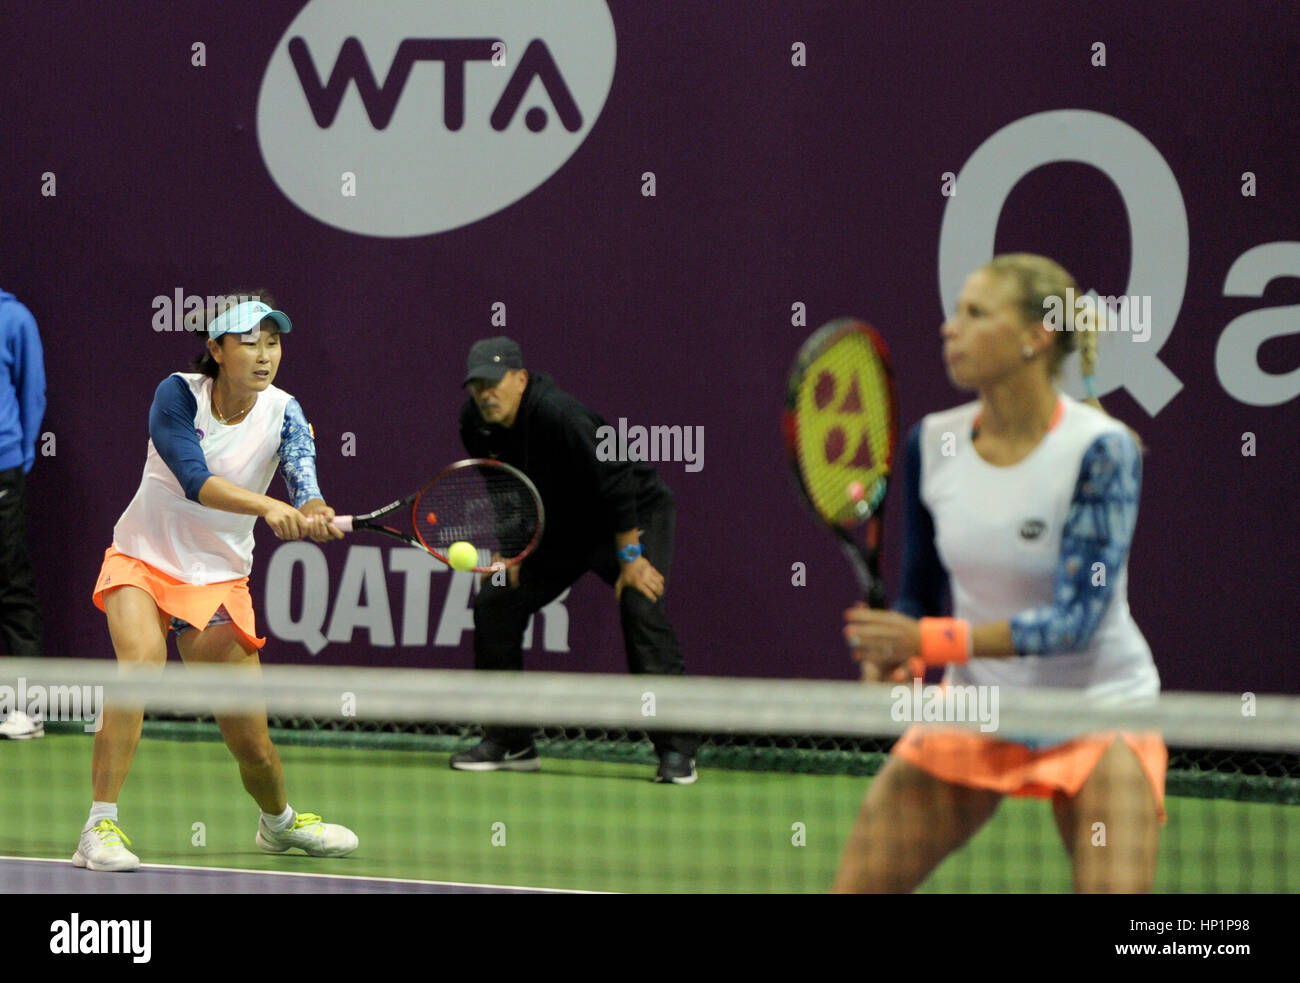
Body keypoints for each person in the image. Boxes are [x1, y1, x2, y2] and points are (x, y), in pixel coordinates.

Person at [833, 254, 1164, 893]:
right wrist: (898, 654)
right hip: (975, 708)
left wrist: (927, 643)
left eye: (975, 313)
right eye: (956, 311)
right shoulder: (933, 444)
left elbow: (1078, 621)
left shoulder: (1102, 450)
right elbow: (919, 596)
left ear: (1034, 337)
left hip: (1098, 710)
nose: (948, 328)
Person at [77, 292, 355, 872]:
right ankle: (99, 827)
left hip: (219, 577)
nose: (264, 355)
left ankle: (277, 824)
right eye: (248, 342)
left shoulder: (286, 410)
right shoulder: (177, 394)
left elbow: (304, 480)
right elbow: (193, 478)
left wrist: (313, 508)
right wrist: (267, 507)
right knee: (138, 671)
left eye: (273, 342)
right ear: (216, 349)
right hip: (144, 559)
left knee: (251, 743)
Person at [451, 337, 700, 784]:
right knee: (497, 600)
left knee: (640, 604)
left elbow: (617, 475)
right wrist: (513, 550)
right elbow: (504, 489)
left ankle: (677, 750)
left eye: (494, 382)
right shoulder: (476, 423)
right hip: (558, 525)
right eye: (476, 385)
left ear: (520, 379)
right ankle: (511, 740)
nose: (485, 393)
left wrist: (630, 559)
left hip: (626, 515)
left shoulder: (559, 414)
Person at [0, 288, 46, 740]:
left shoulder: (14, 318)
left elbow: (31, 393)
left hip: (2, 466)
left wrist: (16, 458)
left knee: (11, 582)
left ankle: (27, 708)